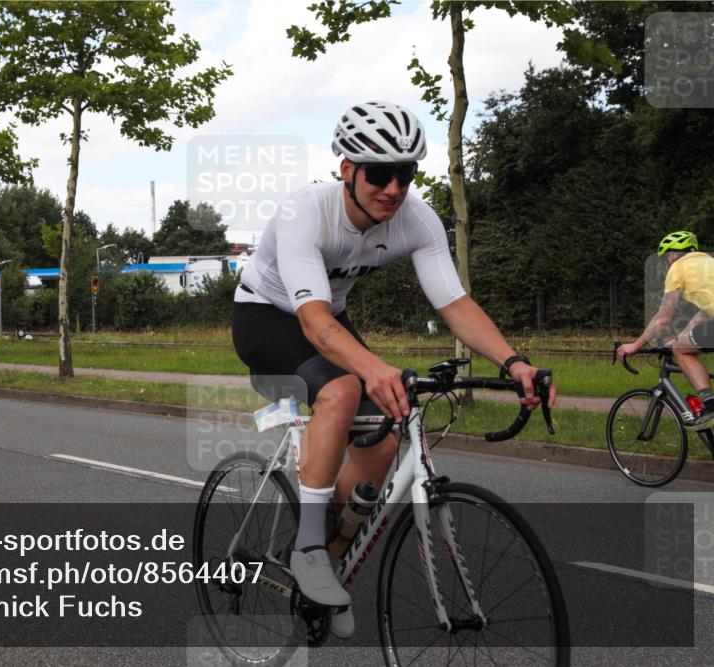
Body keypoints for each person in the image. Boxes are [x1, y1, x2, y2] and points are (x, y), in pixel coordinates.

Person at [231, 101, 555, 632]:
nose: (393, 188)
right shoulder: (305, 213)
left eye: (405, 173)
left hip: (329, 317)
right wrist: (375, 369)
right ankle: (308, 548)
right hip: (268, 317)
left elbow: (454, 303)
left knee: (383, 435)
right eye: (379, 173)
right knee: (338, 391)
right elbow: (313, 325)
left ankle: (332, 549)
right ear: (346, 170)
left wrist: (514, 361)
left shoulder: (416, 218)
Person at [617, 231, 714, 429]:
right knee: (682, 344)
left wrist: (635, 345)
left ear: (671, 255)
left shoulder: (678, 268)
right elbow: (703, 315)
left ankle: (710, 407)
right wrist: (681, 337)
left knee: (680, 350)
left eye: (665, 259)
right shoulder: (708, 262)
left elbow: (663, 318)